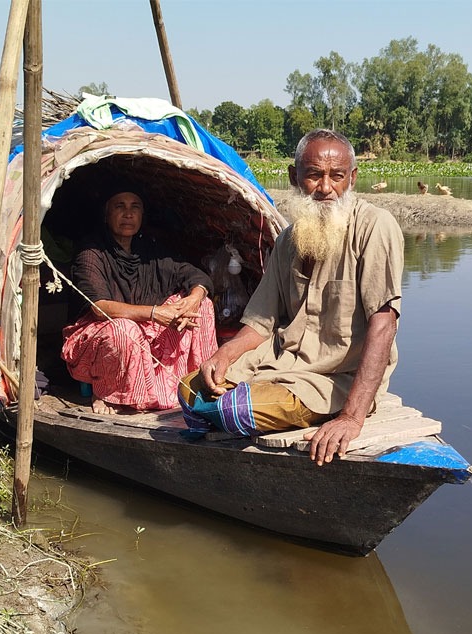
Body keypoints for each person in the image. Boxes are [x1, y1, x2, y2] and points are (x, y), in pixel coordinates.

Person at [178, 129, 403, 465]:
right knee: (190, 390)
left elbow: (384, 326)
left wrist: (352, 418)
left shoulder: (374, 227)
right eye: (314, 176)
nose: (326, 188)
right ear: (294, 177)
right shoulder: (288, 240)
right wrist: (224, 354)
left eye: (337, 177)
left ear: (352, 178)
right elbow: (261, 321)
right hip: (279, 362)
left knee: (235, 410)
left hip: (334, 377)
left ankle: (267, 415)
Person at [62, 189, 217, 414]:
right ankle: (110, 394)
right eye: (119, 206)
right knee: (124, 329)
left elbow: (194, 275)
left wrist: (194, 297)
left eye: (135, 207)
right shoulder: (91, 252)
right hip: (99, 334)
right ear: (106, 214)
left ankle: (195, 385)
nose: (128, 214)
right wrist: (155, 313)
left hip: (145, 329)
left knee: (202, 306)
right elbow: (100, 308)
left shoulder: (150, 250)